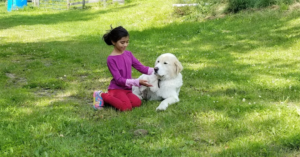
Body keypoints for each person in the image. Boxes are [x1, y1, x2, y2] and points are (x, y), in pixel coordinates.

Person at [93, 26, 153, 111]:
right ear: (113, 42)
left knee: (137, 103)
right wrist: (136, 82)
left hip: (127, 89)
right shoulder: (111, 59)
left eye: (127, 42)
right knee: (126, 107)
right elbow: (118, 80)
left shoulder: (128, 54)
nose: (125, 45)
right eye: (122, 42)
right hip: (116, 89)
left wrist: (158, 70)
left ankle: (111, 100)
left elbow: (141, 68)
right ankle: (101, 95)